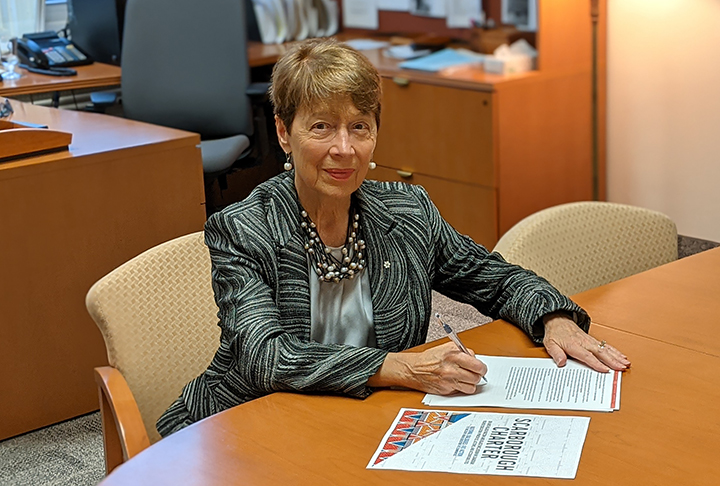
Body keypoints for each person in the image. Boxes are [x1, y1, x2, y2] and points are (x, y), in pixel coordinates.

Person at [157, 38, 630, 437]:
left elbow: (494, 278)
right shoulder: (243, 228)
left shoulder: (406, 212)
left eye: (359, 127)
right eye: (321, 126)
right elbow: (267, 356)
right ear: (284, 132)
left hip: (362, 422)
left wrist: (554, 318)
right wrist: (400, 368)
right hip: (246, 425)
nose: (344, 149)